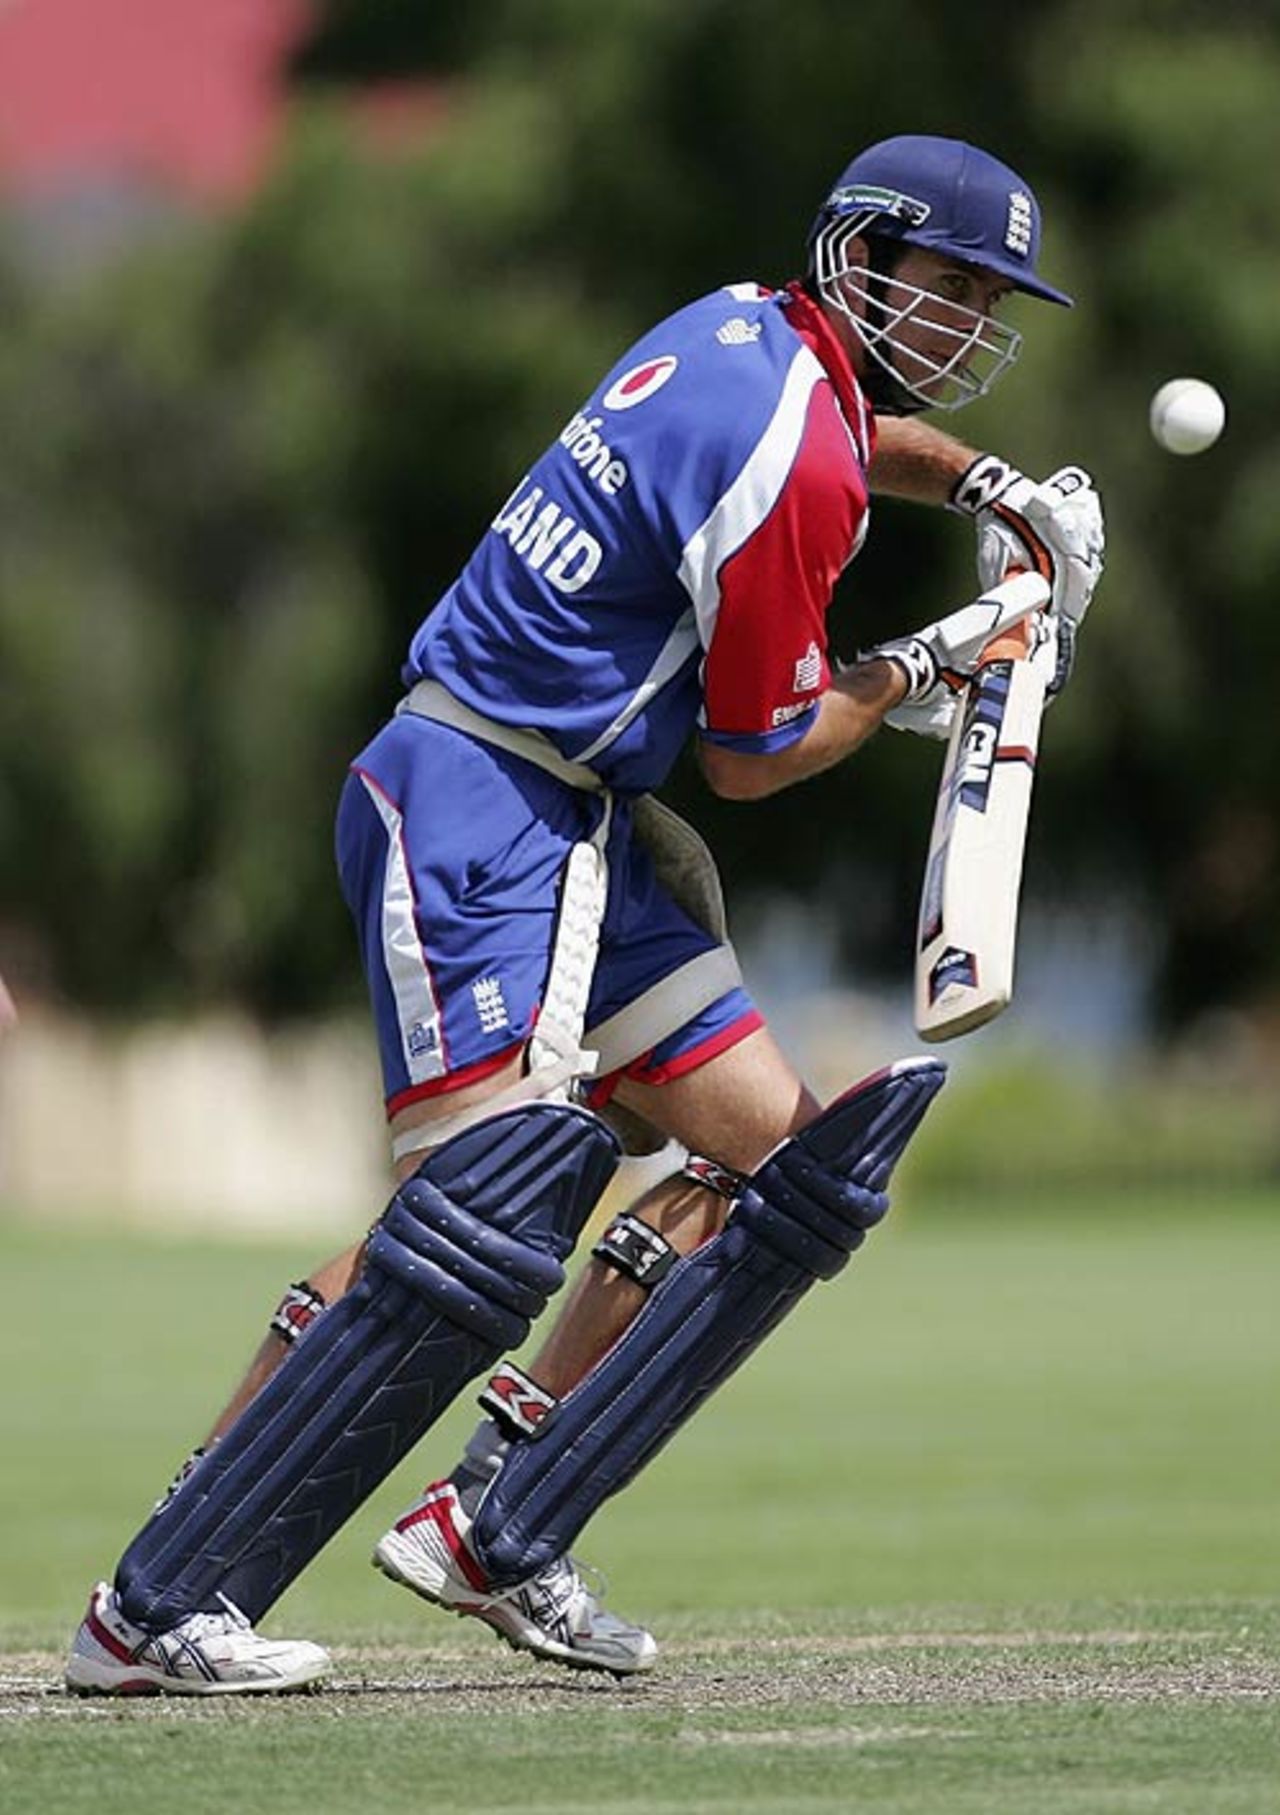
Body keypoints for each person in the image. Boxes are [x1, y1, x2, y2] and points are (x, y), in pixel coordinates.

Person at [66, 133, 1103, 1696]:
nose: (966, 320)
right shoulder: (795, 455)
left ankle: (498, 1518)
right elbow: (756, 755)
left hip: (573, 822)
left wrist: (990, 485)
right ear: (863, 254)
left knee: (789, 1171)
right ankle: (161, 1594)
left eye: (989, 299)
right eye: (946, 282)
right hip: (482, 814)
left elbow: (842, 436)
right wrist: (930, 665)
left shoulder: (739, 328)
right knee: (462, 1235)